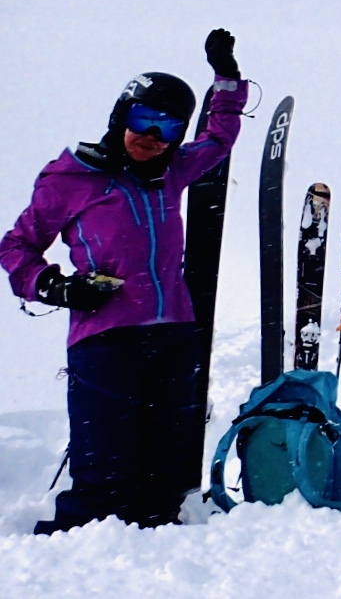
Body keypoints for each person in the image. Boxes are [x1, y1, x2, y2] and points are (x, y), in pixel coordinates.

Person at [1, 30, 247, 533]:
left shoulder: (171, 171)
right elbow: (16, 247)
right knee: (105, 469)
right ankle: (73, 558)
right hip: (105, 339)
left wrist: (226, 79)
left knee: (165, 468)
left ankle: (156, 559)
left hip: (175, 335)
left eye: (167, 127)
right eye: (142, 119)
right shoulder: (70, 178)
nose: (151, 136)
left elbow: (219, 138)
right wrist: (55, 286)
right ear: (121, 114)